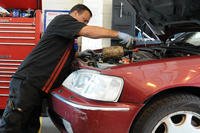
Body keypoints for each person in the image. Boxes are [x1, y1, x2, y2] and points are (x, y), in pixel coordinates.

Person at [0, 4, 134, 133]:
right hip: (27, 83)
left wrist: (78, 54)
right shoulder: (63, 20)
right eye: (84, 20)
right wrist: (118, 34)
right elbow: (88, 31)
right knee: (13, 124)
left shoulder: (67, 37)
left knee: (29, 126)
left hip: (38, 87)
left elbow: (58, 54)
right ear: (75, 13)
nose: (84, 24)